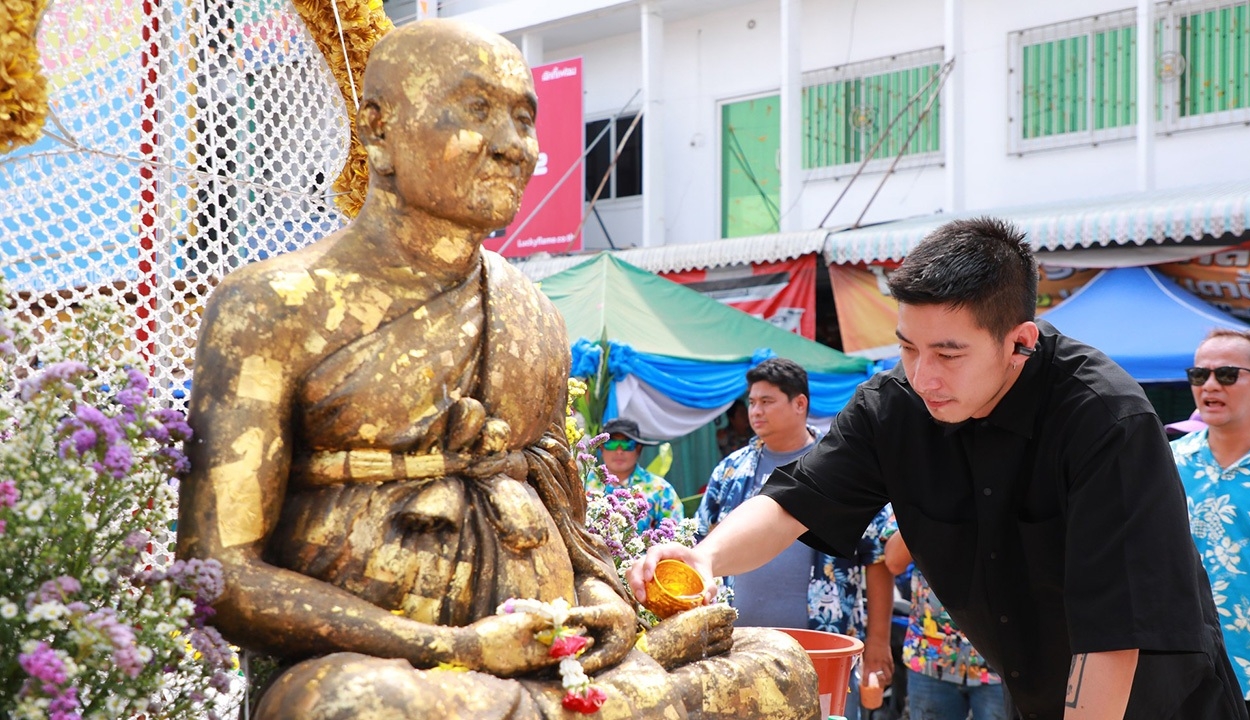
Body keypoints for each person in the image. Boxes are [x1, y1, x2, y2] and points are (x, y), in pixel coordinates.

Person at [178, 18, 819, 719]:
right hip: (404, 674)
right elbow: (220, 576)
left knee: (777, 666)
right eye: (477, 110)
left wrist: (605, 608)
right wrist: (450, 645)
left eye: (524, 118)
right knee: (347, 706)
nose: (514, 146)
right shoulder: (274, 304)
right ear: (378, 128)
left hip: (550, 662)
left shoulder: (531, 311)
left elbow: (569, 534)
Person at [631, 217, 1248, 720]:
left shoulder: (1103, 419)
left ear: (1019, 342)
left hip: (1156, 698)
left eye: (949, 353)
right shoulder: (897, 404)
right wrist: (706, 559)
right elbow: (799, 496)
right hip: (1033, 690)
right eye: (907, 347)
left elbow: (1116, 632)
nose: (923, 376)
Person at [696, 357, 897, 714]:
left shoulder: (840, 465)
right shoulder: (731, 469)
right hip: (739, 651)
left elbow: (877, 557)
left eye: (767, 401)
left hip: (823, 651)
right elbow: (703, 543)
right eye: (752, 402)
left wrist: (878, 643)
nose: (755, 411)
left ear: (800, 403)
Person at [1171, 328, 1250, 720]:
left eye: (1227, 375)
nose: (1210, 385)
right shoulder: (1163, 464)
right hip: (1178, 682)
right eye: (1199, 375)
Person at [884, 525, 1007, 720]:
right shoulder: (920, 494)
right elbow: (893, 562)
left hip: (1001, 663)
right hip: (931, 660)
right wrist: (926, 500)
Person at [584, 417, 683, 532]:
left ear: (638, 449)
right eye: (612, 444)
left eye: (627, 445)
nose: (619, 451)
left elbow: (676, 536)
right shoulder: (581, 484)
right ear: (601, 448)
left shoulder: (661, 490)